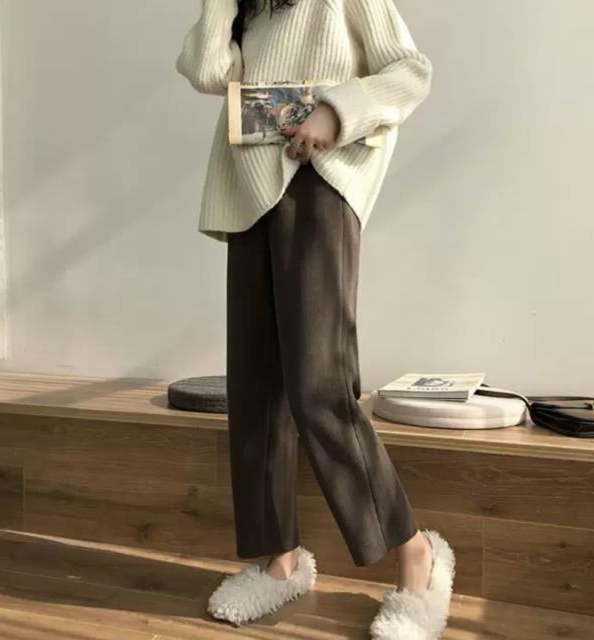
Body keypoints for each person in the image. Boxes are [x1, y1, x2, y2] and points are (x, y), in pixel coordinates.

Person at [175, 1, 456, 637]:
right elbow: (207, 70)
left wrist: (337, 110)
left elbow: (410, 71)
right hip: (249, 187)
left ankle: (417, 554)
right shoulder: (248, 6)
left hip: (319, 183)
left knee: (318, 384)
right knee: (255, 385)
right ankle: (279, 562)